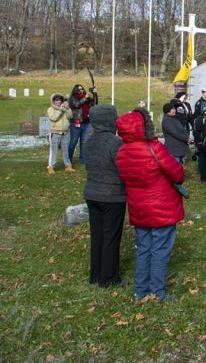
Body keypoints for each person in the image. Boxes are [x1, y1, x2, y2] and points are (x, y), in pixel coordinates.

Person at [116, 108, 185, 301]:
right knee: (160, 250)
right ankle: (157, 291)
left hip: (139, 208)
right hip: (162, 208)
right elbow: (178, 173)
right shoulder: (154, 149)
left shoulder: (122, 152)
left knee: (144, 249)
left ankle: (140, 290)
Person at [83, 105, 126, 288]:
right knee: (110, 237)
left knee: (98, 236)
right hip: (112, 195)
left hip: (92, 193)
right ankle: (108, 279)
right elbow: (122, 167)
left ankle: (96, 275)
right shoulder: (114, 142)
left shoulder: (89, 140)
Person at [68, 83, 98, 165]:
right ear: (75, 91)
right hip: (76, 123)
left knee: (84, 142)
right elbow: (76, 105)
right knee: (73, 142)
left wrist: (95, 94)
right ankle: (68, 160)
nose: (81, 90)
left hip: (87, 123)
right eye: (78, 89)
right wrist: (85, 98)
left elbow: (94, 105)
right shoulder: (72, 98)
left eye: (82, 89)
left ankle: (83, 159)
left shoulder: (87, 98)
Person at [46, 93, 73, 174]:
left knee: (65, 150)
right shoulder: (50, 109)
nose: (58, 102)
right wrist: (61, 110)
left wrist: (68, 109)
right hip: (55, 133)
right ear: (53, 101)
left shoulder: (64, 108)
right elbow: (53, 118)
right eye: (56, 100)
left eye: (60, 100)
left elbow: (70, 116)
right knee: (53, 151)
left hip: (65, 133)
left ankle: (68, 166)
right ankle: (51, 166)